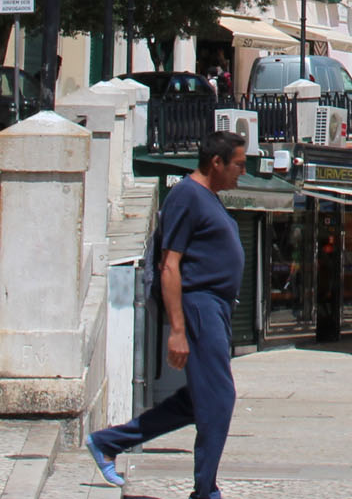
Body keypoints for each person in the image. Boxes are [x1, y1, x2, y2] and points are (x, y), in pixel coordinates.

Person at [87, 131, 248, 498]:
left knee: (198, 400)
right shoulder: (186, 196)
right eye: (238, 164)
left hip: (217, 308)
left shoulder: (208, 198)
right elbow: (169, 266)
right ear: (216, 163)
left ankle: (108, 442)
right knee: (220, 400)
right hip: (199, 305)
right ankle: (205, 491)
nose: (242, 171)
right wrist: (177, 329)